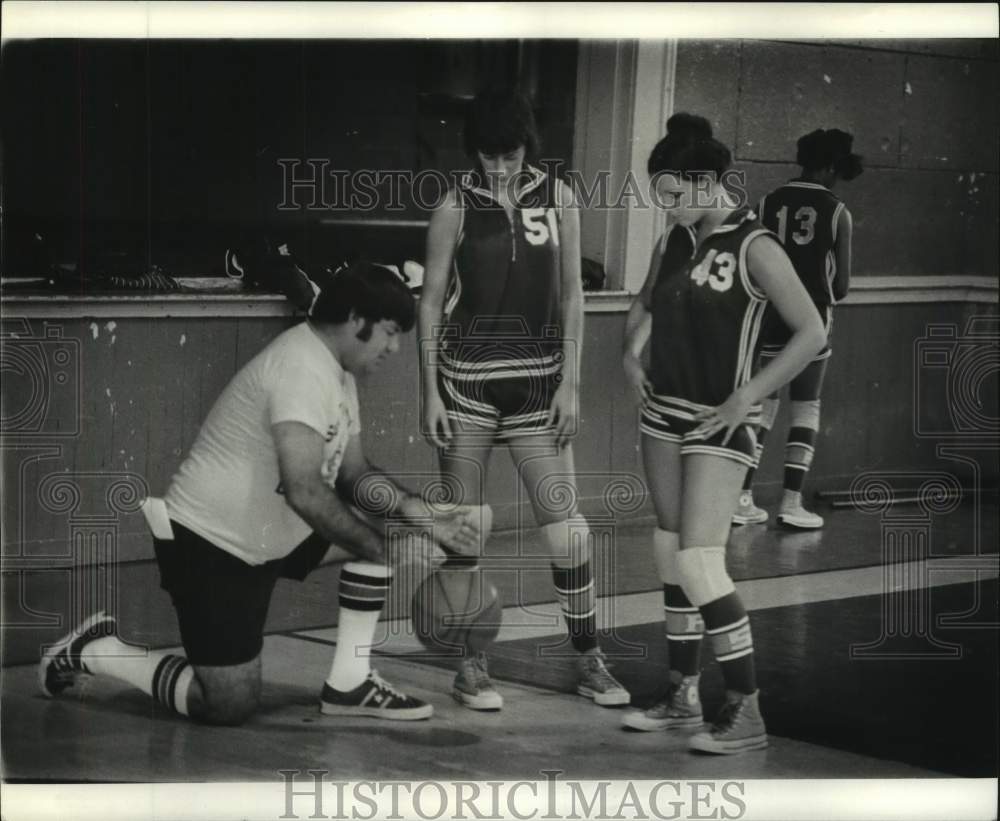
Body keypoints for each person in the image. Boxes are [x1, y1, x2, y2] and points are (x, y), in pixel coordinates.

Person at [39, 262, 483, 725]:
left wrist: (423, 515)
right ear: (356, 320)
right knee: (227, 705)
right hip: (213, 542)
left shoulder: (338, 371)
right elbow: (305, 491)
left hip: (274, 532)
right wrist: (386, 547)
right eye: (390, 333)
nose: (394, 348)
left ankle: (349, 683)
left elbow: (354, 474)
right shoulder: (299, 367)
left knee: (380, 531)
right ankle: (98, 650)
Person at [620, 115, 827, 753]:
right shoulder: (673, 241)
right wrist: (630, 355)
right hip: (664, 411)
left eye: (677, 195)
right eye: (660, 196)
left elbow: (813, 332)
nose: (668, 207)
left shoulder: (756, 245)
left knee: (700, 561)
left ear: (709, 182)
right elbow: (645, 306)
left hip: (722, 416)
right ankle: (682, 694)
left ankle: (746, 708)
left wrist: (747, 397)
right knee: (668, 552)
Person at [419, 87, 630, 712]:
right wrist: (427, 389)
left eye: (509, 155)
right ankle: (471, 663)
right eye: (488, 155)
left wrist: (572, 381)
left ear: (528, 148)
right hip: (466, 383)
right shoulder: (455, 206)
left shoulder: (560, 199)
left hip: (539, 383)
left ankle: (590, 658)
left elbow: (572, 296)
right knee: (467, 529)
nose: (500, 167)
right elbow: (430, 300)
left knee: (568, 532)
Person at [734, 128, 862, 529]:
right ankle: (791, 502)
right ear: (828, 168)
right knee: (805, 406)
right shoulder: (838, 211)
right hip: (812, 319)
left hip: (768, 318)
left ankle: (741, 498)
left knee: (762, 405)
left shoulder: (766, 202)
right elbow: (840, 287)